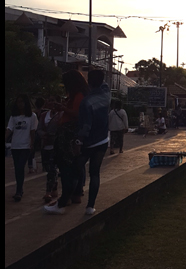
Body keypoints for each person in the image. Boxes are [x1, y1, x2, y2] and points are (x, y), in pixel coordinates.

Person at [45, 70, 110, 215]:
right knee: (95, 173)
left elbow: (85, 125)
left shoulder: (86, 102)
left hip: (88, 142)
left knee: (75, 171)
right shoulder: (106, 94)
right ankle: (90, 207)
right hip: (103, 140)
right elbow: (103, 84)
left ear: (90, 81)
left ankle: (62, 204)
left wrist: (78, 142)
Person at [5, 94, 39, 202]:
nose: (20, 104)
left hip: (25, 146)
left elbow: (32, 131)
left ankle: (19, 190)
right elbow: (9, 129)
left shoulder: (32, 116)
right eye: (18, 102)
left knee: (20, 166)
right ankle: (19, 188)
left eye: (22, 102)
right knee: (17, 169)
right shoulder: (13, 117)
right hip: (15, 146)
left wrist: (32, 143)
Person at [37, 95, 64, 202]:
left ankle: (48, 192)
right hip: (45, 145)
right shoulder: (43, 115)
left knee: (52, 169)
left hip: (55, 145)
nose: (51, 103)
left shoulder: (61, 115)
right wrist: (43, 135)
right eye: (50, 100)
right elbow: (39, 129)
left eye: (54, 100)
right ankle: (55, 185)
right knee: (48, 168)